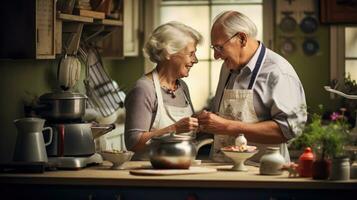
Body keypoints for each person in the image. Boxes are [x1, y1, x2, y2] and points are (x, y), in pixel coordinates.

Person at [197, 11, 307, 164]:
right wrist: (207, 121)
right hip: (222, 168)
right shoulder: (227, 67)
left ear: (242, 38)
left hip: (262, 171)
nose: (216, 56)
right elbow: (224, 115)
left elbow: (288, 129)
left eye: (219, 47)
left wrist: (228, 126)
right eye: (213, 48)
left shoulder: (278, 72)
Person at [124, 21, 203, 160]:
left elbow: (187, 132)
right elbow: (133, 142)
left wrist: (199, 124)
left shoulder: (182, 87)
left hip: (181, 168)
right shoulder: (144, 89)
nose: (195, 60)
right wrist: (174, 129)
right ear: (169, 53)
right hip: (150, 172)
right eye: (191, 54)